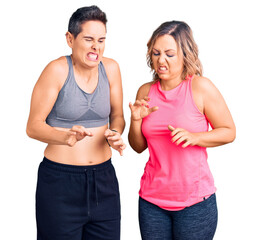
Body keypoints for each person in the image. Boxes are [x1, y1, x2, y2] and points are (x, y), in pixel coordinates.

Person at [128, 20, 236, 240]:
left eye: (169, 54)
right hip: (151, 201)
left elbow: (229, 131)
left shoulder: (200, 87)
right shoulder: (146, 91)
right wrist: (136, 120)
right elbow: (138, 147)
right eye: (156, 53)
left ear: (185, 54)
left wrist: (195, 137)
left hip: (194, 203)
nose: (161, 60)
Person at [26, 6, 125, 240]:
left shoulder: (111, 68)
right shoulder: (57, 70)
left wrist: (115, 133)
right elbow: (33, 126)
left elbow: (118, 116)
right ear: (70, 39)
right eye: (89, 39)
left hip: (104, 181)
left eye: (101, 40)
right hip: (61, 183)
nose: (96, 47)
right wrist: (65, 137)